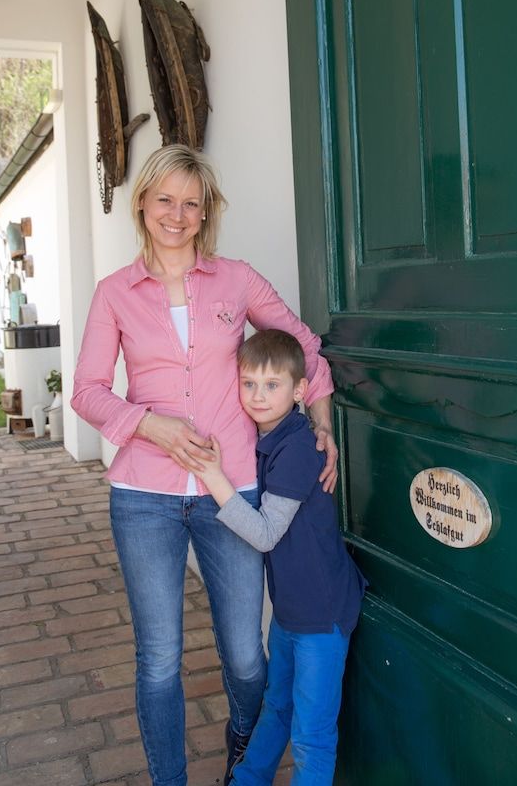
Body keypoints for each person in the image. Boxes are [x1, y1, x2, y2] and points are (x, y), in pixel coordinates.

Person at [71, 145, 338, 786]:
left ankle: (242, 762)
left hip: (234, 494)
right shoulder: (114, 293)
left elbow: (302, 345)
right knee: (159, 659)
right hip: (143, 495)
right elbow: (86, 390)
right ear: (143, 203)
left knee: (247, 658)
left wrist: (321, 415)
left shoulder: (236, 280)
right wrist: (150, 424)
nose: (178, 214)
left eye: (192, 202)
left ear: (206, 211)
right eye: (166, 199)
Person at [199, 328, 366, 785]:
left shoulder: (297, 447)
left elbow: (267, 534)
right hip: (291, 611)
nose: (258, 395)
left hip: (321, 614)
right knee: (276, 708)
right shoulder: (266, 437)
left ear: (299, 391)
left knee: (310, 735)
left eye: (272, 385)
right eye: (249, 383)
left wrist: (213, 478)